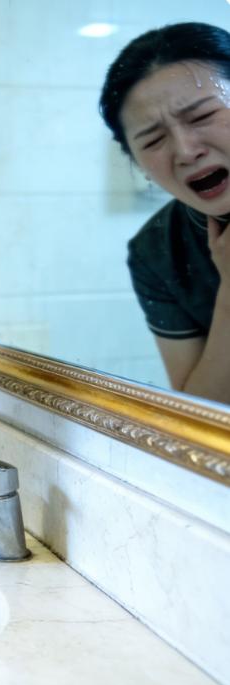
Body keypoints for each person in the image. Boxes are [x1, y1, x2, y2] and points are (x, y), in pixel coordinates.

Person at [99, 22, 230, 404]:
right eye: (154, 139)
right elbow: (194, 414)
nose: (186, 151)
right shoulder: (156, 250)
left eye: (202, 116)